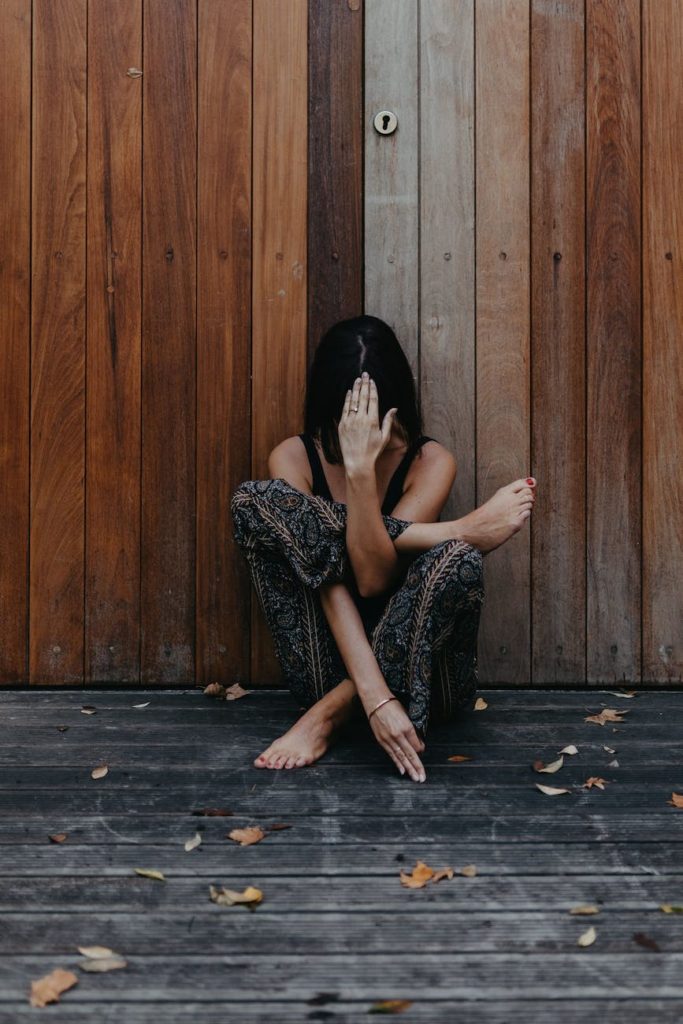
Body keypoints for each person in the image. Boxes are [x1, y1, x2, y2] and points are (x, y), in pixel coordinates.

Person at [230, 315, 536, 783]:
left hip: (426, 681)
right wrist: (458, 526)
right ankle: (344, 701)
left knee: (458, 559)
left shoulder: (429, 462)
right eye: (348, 420)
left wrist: (360, 477)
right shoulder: (293, 458)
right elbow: (330, 580)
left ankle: (333, 712)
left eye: (376, 419)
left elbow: (373, 578)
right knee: (257, 499)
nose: (362, 431)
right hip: (323, 665)